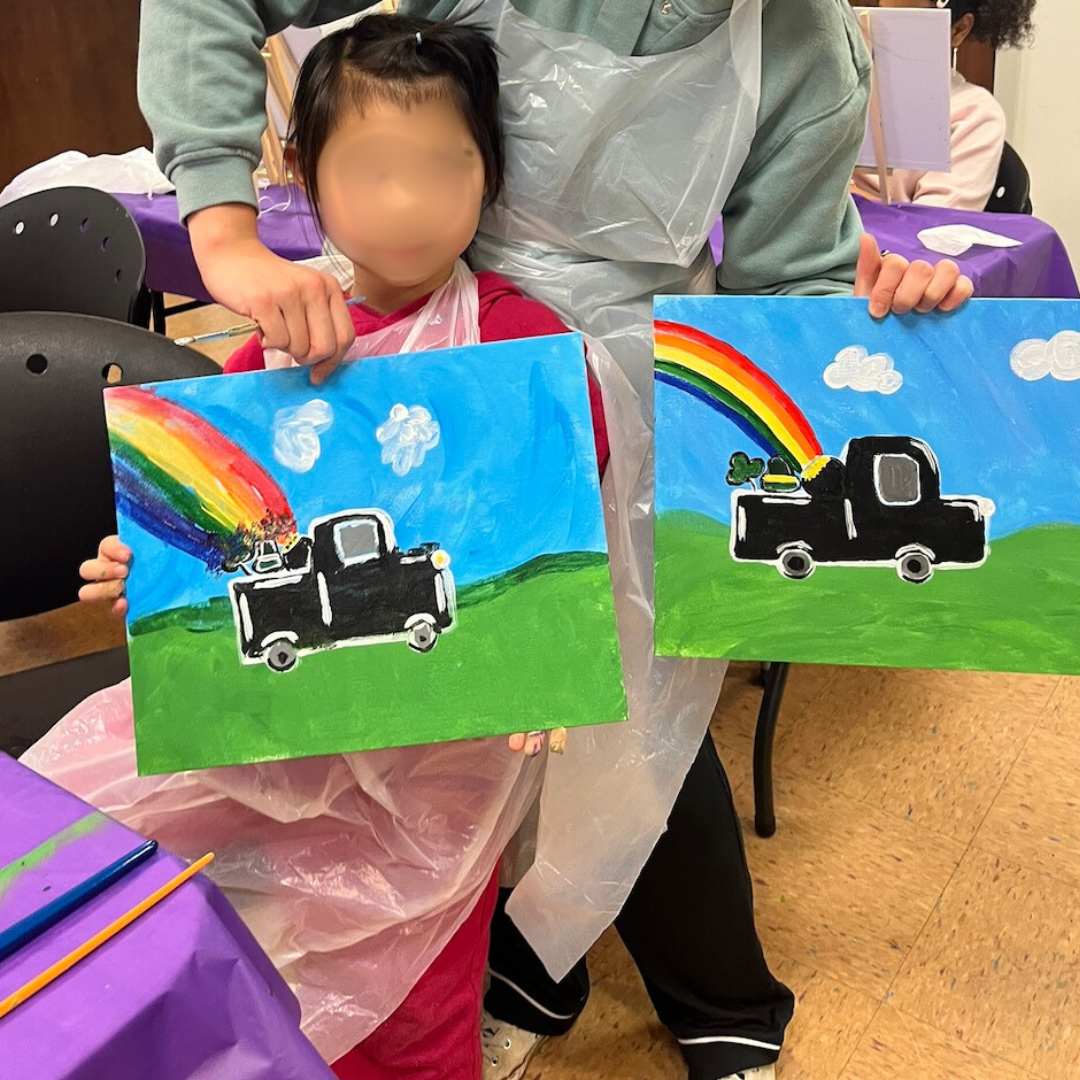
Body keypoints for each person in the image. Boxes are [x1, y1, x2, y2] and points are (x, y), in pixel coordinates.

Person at [128, 4, 974, 1080]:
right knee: (434, 737)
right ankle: (508, 970)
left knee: (633, 727)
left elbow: (787, 285)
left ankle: (685, 997)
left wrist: (875, 321)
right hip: (437, 355)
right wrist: (222, 230)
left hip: (642, 384)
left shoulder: (806, 43)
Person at [26, 16, 608, 1079]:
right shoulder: (269, 349)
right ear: (303, 175)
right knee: (236, 953)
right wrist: (146, 578)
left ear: (490, 175)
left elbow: (560, 513)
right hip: (280, 744)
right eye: (372, 170)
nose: (407, 202)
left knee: (418, 1003)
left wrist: (543, 656)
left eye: (444, 168)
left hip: (443, 758)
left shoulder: (522, 344)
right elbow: (213, 526)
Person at [855, 0, 1037, 211]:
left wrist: (845, 200)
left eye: (908, 20)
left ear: (958, 30)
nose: (884, 35)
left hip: (883, 231)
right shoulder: (851, 87)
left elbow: (932, 221)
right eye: (881, 15)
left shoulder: (973, 114)